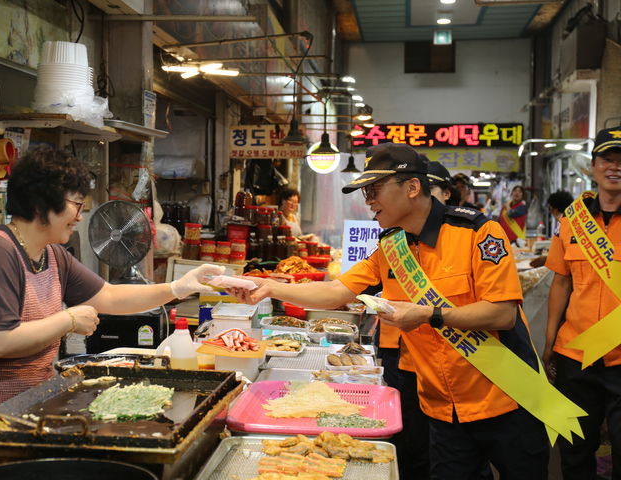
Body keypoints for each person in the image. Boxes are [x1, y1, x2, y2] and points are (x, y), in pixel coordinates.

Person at [229, 143, 551, 479]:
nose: (368, 199)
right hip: (443, 408)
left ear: (412, 187)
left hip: (507, 397)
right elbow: (337, 290)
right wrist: (267, 287)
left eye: (375, 189)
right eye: (365, 190)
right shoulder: (391, 246)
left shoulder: (478, 232)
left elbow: (502, 314)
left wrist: (430, 314)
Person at [0, 147, 224, 467]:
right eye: (76, 204)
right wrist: (68, 319)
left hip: (28, 403)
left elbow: (110, 297)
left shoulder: (53, 255)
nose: (81, 215)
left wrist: (177, 288)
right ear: (40, 204)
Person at [544, 127, 621, 479]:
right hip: (576, 355)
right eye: (607, 159)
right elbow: (561, 282)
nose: (614, 167)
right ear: (592, 166)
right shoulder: (572, 220)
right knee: (575, 452)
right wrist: (549, 344)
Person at [529, 191, 573, 268]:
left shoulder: (564, 225)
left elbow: (565, 257)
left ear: (554, 210)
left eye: (550, 209)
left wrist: (546, 260)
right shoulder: (573, 222)